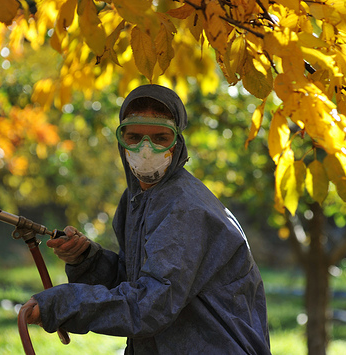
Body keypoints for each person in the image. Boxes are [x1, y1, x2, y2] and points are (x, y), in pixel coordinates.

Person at [21, 84, 271, 354]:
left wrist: (62, 304)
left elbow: (151, 305)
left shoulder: (185, 208)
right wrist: (87, 260)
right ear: (121, 140)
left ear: (177, 143)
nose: (146, 149)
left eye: (160, 137)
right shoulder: (136, 199)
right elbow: (134, 281)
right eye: (135, 136)